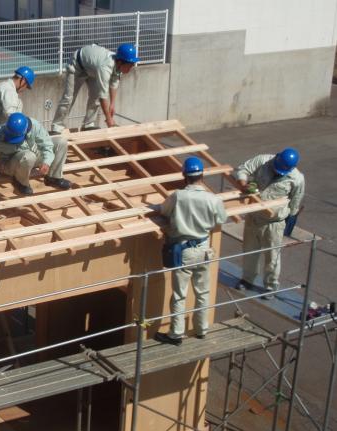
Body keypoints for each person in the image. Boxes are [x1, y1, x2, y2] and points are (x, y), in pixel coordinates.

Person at [154, 157, 227, 346]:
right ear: (202, 175)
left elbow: (163, 210)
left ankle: (176, 333)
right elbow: (222, 218)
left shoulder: (178, 196)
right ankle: (202, 329)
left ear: (184, 175)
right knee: (203, 292)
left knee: (180, 294)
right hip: (203, 249)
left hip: (184, 251)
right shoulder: (213, 199)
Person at [234, 148, 305, 297]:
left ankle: (270, 286)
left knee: (272, 256)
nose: (277, 172)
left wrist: (289, 220)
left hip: (274, 222)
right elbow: (243, 169)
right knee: (250, 251)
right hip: (254, 217)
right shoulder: (263, 160)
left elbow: (294, 203)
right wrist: (243, 183)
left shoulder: (297, 179)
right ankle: (247, 279)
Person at [0, 112, 70, 196]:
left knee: (60, 142)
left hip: (32, 157)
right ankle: (21, 183)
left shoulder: (34, 125)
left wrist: (46, 162)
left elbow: (47, 145)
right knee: (28, 156)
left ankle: (53, 178)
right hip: (11, 165)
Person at [51, 43, 138, 134]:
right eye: (129, 65)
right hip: (77, 65)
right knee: (69, 97)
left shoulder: (118, 66)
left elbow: (114, 83)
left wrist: (112, 104)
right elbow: (103, 95)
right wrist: (109, 120)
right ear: (120, 62)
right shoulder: (105, 67)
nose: (130, 68)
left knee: (95, 96)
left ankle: (88, 124)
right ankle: (57, 126)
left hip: (92, 69)